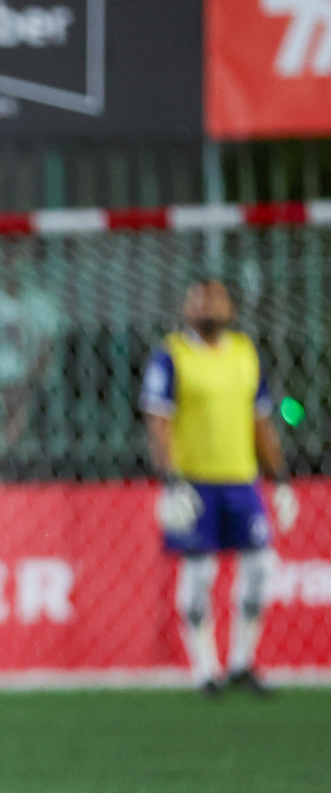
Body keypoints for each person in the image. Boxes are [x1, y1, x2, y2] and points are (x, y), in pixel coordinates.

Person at [142, 279, 296, 696]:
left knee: (260, 566)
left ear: (230, 306)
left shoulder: (245, 353)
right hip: (195, 482)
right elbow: (158, 419)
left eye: (216, 296)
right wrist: (171, 480)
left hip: (242, 480)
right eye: (200, 297)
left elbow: (260, 419)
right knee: (199, 571)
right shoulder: (172, 355)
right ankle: (205, 669)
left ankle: (243, 661)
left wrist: (278, 477)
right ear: (186, 306)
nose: (209, 304)